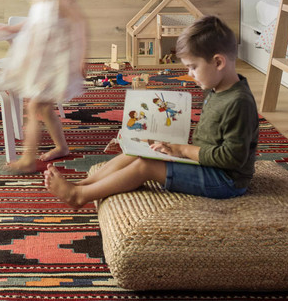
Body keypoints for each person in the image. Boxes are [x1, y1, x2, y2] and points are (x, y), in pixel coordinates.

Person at [44, 15, 257, 209]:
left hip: (225, 181)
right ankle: (84, 184)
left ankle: (80, 196)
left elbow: (231, 158)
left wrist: (182, 150)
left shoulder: (239, 102)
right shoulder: (218, 88)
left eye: (193, 67)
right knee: (138, 150)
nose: (190, 74)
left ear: (218, 62)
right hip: (205, 162)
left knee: (146, 165)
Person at [0, 0, 87, 174]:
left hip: (56, 65)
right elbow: (34, 21)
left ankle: (27, 159)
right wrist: (13, 29)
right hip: (41, 62)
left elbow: (80, 25)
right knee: (43, 108)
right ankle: (61, 146)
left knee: (35, 105)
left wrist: (82, 58)